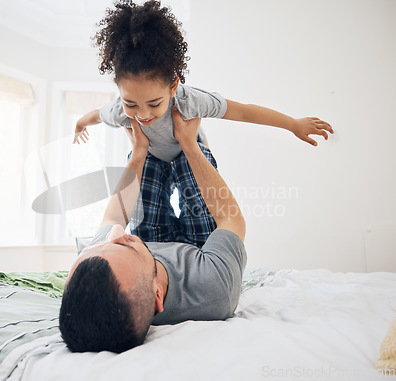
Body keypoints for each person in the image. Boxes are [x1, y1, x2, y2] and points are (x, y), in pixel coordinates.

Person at [73, 0, 333, 244]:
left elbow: (243, 112)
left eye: (154, 104)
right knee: (145, 226)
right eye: (131, 104)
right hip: (150, 158)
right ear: (119, 89)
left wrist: (293, 124)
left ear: (173, 86)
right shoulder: (120, 110)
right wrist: (79, 124)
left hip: (189, 154)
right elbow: (96, 115)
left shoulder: (190, 102)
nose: (142, 114)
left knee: (202, 223)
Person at [59, 110, 247, 353]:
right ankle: (194, 149)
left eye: (104, 243)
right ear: (157, 294)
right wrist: (190, 146)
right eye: (124, 243)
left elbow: (114, 217)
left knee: (147, 165)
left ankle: (152, 155)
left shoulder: (98, 264)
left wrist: (138, 152)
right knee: (189, 163)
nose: (116, 232)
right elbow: (230, 219)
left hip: (153, 239)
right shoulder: (214, 289)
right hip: (202, 250)